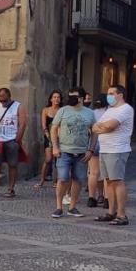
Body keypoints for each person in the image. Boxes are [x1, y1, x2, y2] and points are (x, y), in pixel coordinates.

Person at [92, 84, 134, 226]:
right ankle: (111, 211)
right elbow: (94, 126)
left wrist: (102, 127)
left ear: (120, 95)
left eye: (111, 93)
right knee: (108, 181)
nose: (108, 96)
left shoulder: (126, 109)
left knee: (117, 181)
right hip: (105, 148)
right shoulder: (110, 110)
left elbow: (111, 126)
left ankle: (122, 214)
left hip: (117, 149)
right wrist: (103, 127)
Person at [49, 88, 94, 218]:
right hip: (64, 151)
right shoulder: (63, 110)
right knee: (62, 178)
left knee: (78, 179)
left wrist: (91, 149)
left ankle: (72, 207)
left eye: (74, 96)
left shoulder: (89, 113)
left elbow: (94, 131)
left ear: (81, 98)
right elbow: (54, 128)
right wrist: (55, 147)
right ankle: (58, 207)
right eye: (70, 96)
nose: (71, 99)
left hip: (81, 152)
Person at [0, 87, 26, 198]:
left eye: (3, 98)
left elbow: (22, 123)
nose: (2, 101)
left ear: (9, 96)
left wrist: (18, 138)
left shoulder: (18, 106)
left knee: (12, 165)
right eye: (0, 98)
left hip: (11, 139)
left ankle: (10, 189)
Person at [32, 90, 61, 189]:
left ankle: (55, 181)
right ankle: (41, 180)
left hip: (59, 137)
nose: (56, 99)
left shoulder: (62, 110)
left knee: (58, 160)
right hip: (48, 136)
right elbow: (44, 125)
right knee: (48, 159)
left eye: (58, 97)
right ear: (51, 99)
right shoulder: (46, 110)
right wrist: (48, 135)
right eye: (55, 97)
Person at [85, 96, 108, 209]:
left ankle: (91, 198)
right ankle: (106, 198)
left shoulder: (91, 113)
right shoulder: (109, 113)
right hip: (106, 145)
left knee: (93, 173)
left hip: (93, 144)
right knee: (106, 174)